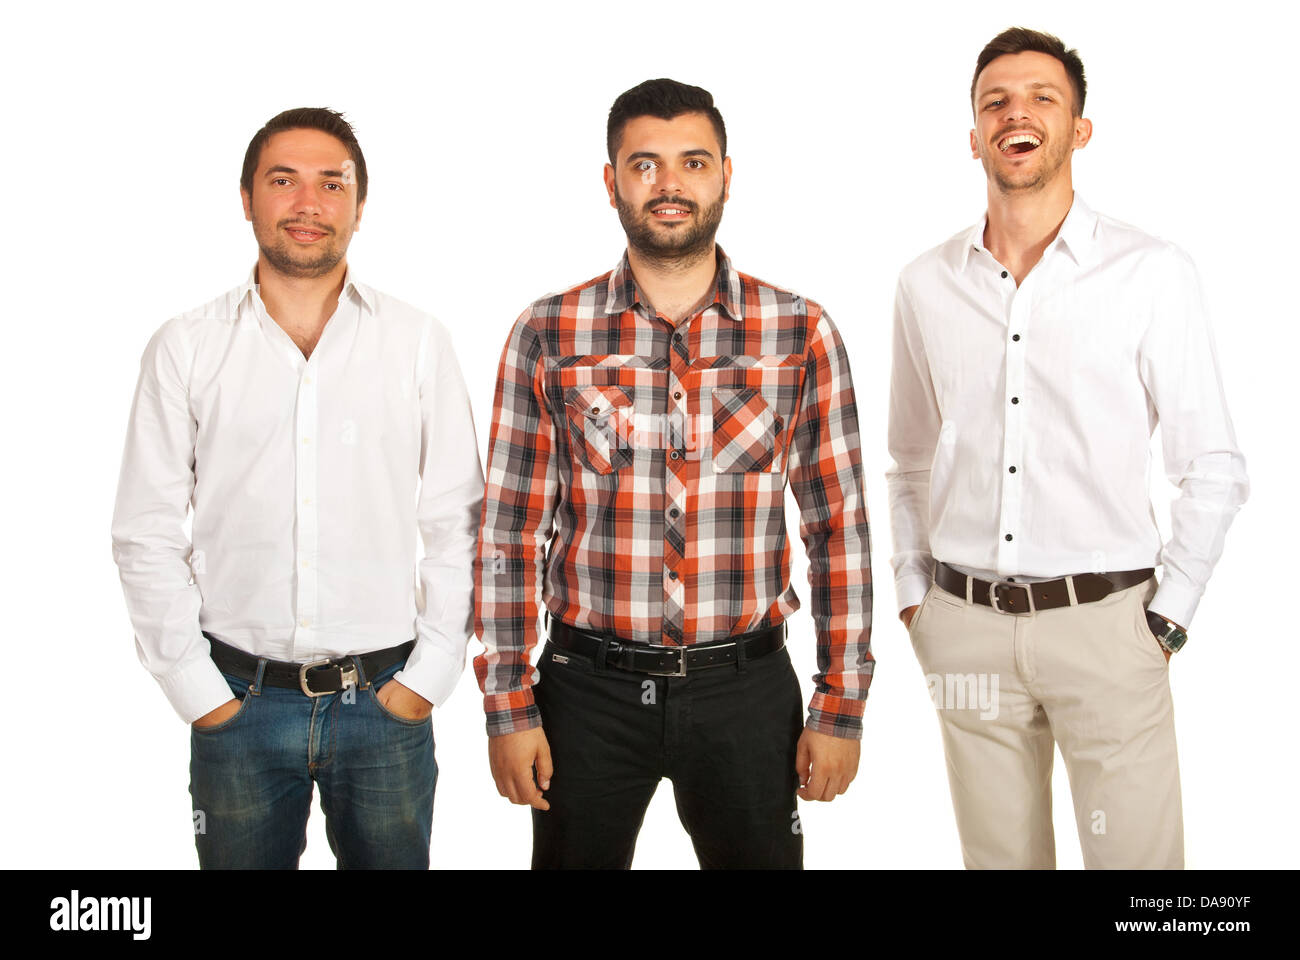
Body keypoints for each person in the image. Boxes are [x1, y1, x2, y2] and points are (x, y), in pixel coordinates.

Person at [474, 78, 874, 870]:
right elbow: (509, 532)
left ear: (726, 173)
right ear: (611, 181)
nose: (670, 185)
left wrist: (841, 703)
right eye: (644, 165)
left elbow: (839, 527)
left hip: (747, 692)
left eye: (692, 162)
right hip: (585, 690)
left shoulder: (799, 330)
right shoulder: (548, 331)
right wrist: (506, 704)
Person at [887, 28, 1249, 869]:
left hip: (1110, 630)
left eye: (1043, 98)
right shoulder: (924, 284)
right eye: (996, 102)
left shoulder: (1151, 272)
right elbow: (909, 457)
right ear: (973, 136)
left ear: (1078, 128)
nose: (1019, 113)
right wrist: (917, 600)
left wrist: (1167, 619)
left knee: (1142, 887)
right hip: (965, 630)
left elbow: (1214, 466)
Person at [111, 107, 483, 869]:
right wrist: (197, 692)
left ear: (358, 205)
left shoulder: (415, 341)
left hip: (385, 701)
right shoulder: (186, 346)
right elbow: (146, 529)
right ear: (246, 198)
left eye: (331, 184)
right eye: (283, 181)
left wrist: (430, 676)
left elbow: (461, 521)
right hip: (237, 702)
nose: (308, 204)